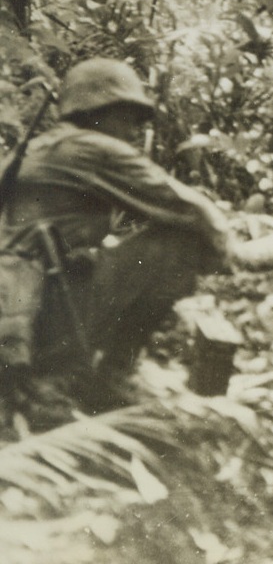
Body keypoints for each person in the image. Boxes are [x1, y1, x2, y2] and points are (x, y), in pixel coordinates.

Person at [0, 59, 228, 419]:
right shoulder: (96, 148)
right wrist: (231, 255)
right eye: (128, 117)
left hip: (19, 317)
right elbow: (193, 210)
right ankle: (112, 373)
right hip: (48, 315)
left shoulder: (33, 150)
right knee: (183, 242)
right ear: (98, 111)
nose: (135, 131)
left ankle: (58, 371)